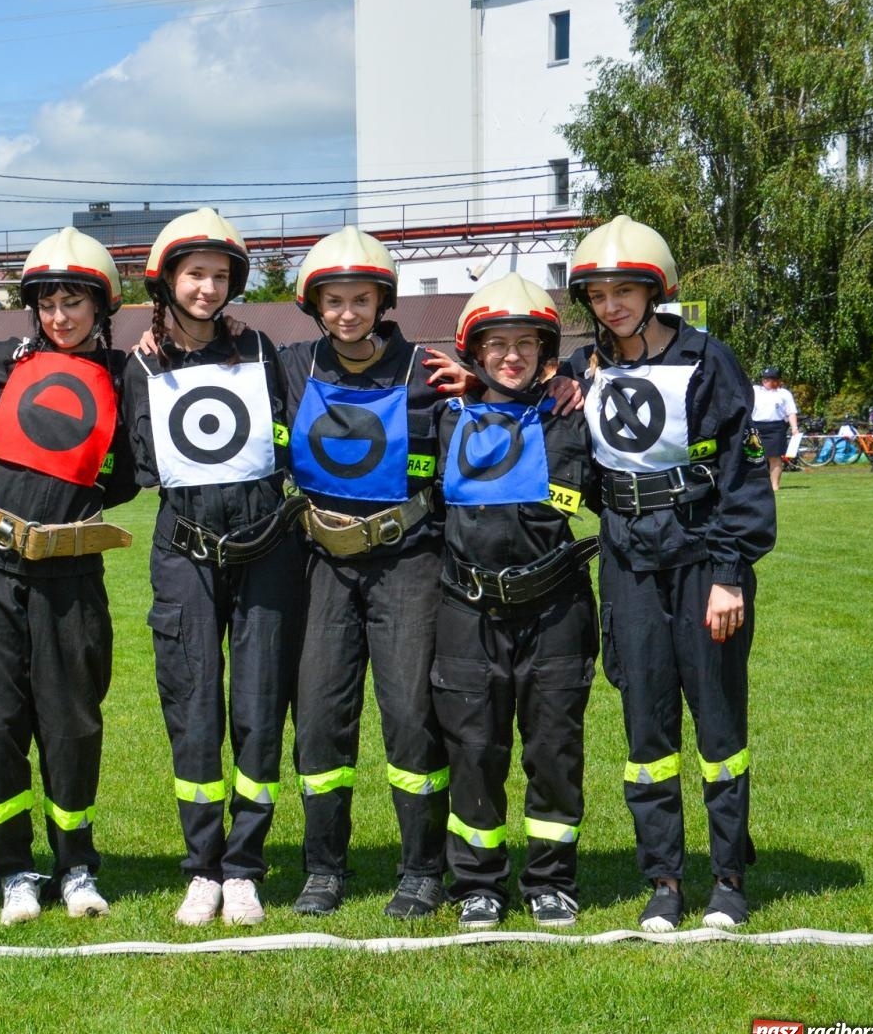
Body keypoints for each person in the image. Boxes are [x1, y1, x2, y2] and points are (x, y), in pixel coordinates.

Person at [567, 215, 775, 930]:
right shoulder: (585, 370)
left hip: (700, 559)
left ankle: (727, 877)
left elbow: (741, 477)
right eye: (598, 294)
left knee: (718, 722)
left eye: (626, 291)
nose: (612, 305)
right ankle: (663, 876)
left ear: (655, 292)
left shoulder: (707, 360)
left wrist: (728, 574)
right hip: (627, 564)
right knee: (646, 730)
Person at [124, 208, 303, 927]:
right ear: (166, 280)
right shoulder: (139, 362)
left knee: (260, 710)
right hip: (185, 553)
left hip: (265, 549)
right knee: (193, 709)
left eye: (219, 276)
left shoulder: (260, 347)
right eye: (194, 274)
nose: (207, 287)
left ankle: (245, 869)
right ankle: (201, 869)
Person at [0, 228, 138, 925]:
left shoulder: (128, 376)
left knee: (71, 723)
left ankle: (78, 866)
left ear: (101, 307)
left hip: (71, 568)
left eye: (75, 302)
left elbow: (131, 467)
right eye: (49, 303)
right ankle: (13, 871)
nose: (61, 316)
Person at [278, 227, 451, 919]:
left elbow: (509, 382)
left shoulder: (429, 371)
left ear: (384, 301)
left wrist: (563, 381)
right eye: (333, 301)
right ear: (314, 305)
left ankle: (421, 870)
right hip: (322, 564)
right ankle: (323, 868)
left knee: (411, 716)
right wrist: (156, 339)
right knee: (319, 718)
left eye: (361, 299)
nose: (347, 313)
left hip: (407, 562)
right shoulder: (292, 366)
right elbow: (212, 357)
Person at [432, 273, 599, 930]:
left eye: (525, 343)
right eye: (496, 344)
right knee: (474, 748)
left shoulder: (572, 413)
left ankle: (551, 880)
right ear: (475, 351)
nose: (510, 356)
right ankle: (477, 882)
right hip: (467, 610)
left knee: (554, 748)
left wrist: (579, 376)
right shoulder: (443, 418)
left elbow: (624, 366)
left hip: (555, 608)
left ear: (545, 350)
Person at [750, 366, 800, 492]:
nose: (767, 382)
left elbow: (791, 412)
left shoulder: (784, 394)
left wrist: (794, 428)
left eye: (771, 379)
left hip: (776, 427)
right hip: (756, 425)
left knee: (774, 457)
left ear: (777, 380)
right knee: (755, 457)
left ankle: (774, 486)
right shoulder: (755, 390)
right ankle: (756, 485)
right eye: (765, 379)